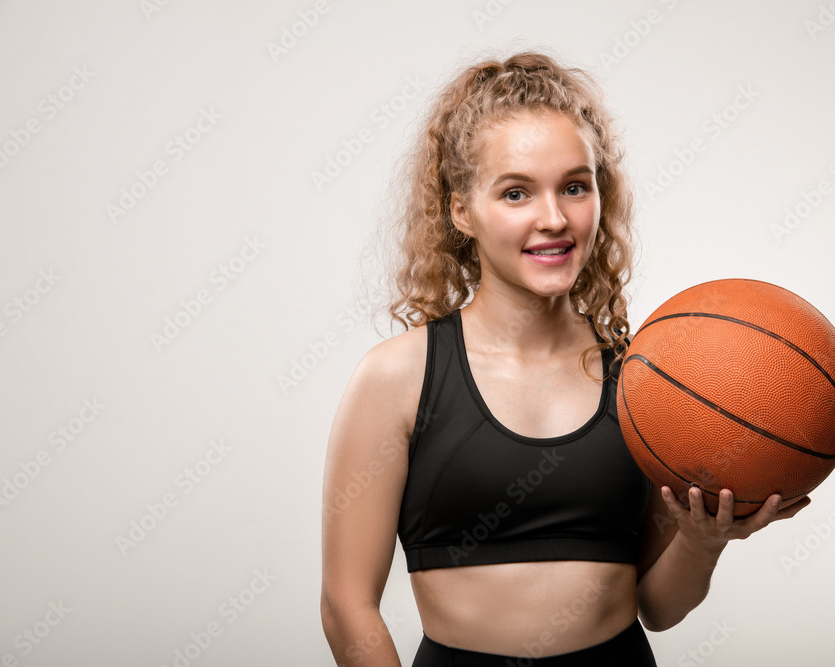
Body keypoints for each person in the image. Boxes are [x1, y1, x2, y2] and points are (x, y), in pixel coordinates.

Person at [320, 49, 810, 666]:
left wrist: (700, 540)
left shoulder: (647, 379)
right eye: (516, 193)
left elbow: (658, 608)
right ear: (460, 210)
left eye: (575, 187)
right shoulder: (398, 377)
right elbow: (346, 604)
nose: (553, 219)